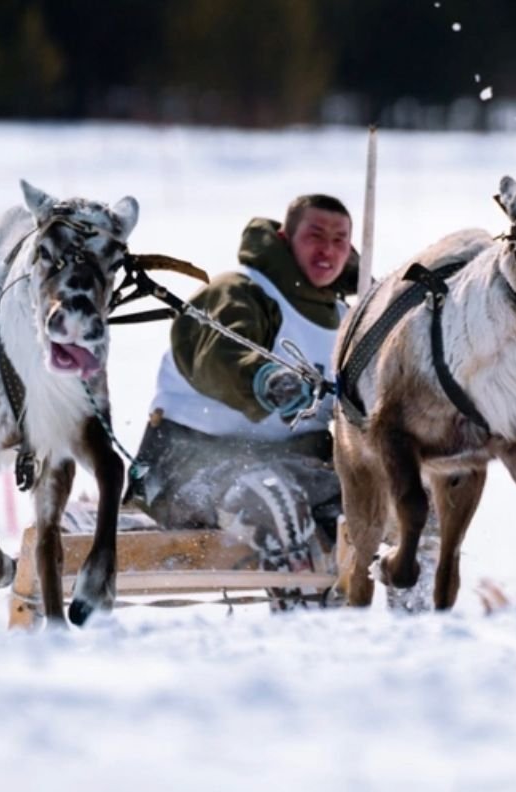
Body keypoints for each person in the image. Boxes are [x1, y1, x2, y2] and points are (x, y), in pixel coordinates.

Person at [128, 194, 357, 575]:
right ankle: (300, 601)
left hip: (297, 465)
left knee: (391, 496)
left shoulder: (346, 318)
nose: (328, 250)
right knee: (270, 497)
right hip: (187, 466)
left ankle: (412, 600)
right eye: (315, 236)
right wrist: (266, 379)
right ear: (285, 238)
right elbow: (218, 355)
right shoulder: (239, 291)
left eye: (340, 240)